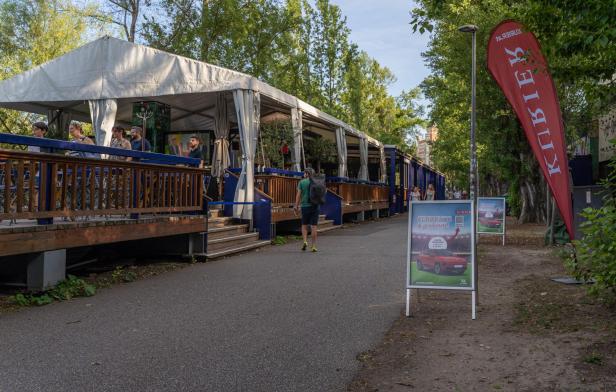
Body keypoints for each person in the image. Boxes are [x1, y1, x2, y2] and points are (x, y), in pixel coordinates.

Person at [294, 167, 319, 252]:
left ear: (307, 174)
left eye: (304, 173)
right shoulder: (317, 182)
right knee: (314, 226)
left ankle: (305, 241)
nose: (303, 174)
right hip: (315, 206)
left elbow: (298, 195)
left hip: (305, 206)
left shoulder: (302, 182)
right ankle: (314, 246)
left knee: (304, 225)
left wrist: (296, 206)